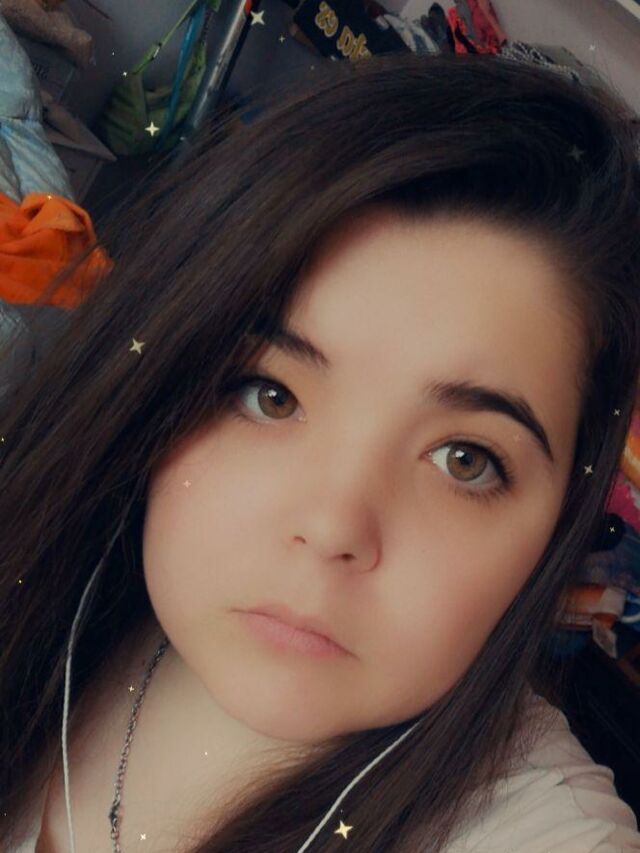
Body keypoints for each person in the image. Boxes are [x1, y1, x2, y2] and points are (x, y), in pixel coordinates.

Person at [1, 50, 639, 853]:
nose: (334, 526)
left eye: (465, 459)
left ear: (559, 521)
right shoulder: (47, 580)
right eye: (269, 395)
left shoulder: (546, 831)